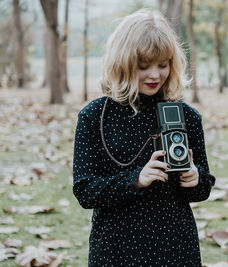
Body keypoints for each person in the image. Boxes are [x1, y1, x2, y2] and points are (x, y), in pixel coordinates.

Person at [72, 9, 216, 266]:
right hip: (116, 249)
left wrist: (195, 178)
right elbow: (84, 191)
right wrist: (136, 179)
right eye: (143, 65)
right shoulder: (94, 116)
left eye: (163, 65)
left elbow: (203, 187)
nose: (155, 75)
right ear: (122, 63)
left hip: (175, 247)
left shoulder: (186, 116)